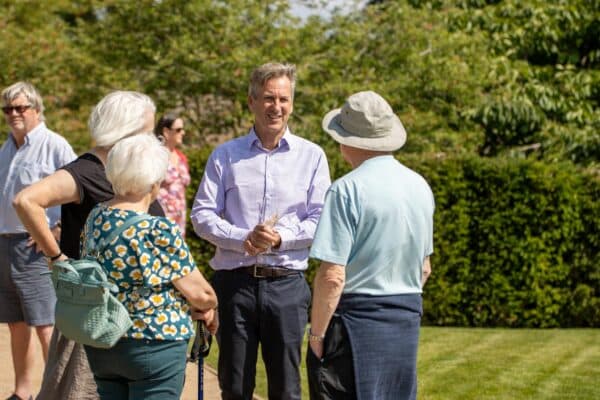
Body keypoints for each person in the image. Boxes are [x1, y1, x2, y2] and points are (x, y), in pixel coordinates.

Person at [191, 62, 331, 400]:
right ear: (251, 101)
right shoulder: (225, 155)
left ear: (292, 104)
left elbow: (322, 218)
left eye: (283, 99)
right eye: (268, 98)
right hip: (234, 286)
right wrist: (243, 239)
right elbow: (201, 215)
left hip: (286, 285)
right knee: (235, 386)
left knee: (286, 387)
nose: (277, 107)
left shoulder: (312, 156)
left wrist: (282, 237)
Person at [13, 91, 164, 400]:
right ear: (126, 130)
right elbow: (26, 200)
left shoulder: (123, 172)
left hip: (127, 316)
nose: (152, 141)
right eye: (148, 132)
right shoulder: (86, 171)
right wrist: (57, 257)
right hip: (95, 317)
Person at [307, 91, 435, 400]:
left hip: (355, 323)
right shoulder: (419, 185)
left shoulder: (345, 189)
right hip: (404, 319)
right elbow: (424, 268)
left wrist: (317, 333)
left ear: (346, 141)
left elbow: (332, 276)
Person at [81, 133, 217, 399]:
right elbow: (202, 294)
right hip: (153, 344)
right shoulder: (156, 229)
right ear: (154, 181)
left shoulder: (96, 216)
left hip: (104, 341)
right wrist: (210, 306)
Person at [0, 81, 76, 400]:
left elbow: (78, 188)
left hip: (36, 249)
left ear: (37, 109)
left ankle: (55, 393)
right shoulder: (6, 148)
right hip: (6, 245)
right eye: (8, 109)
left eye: (21, 108)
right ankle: (23, 391)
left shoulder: (53, 144)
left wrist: (56, 229)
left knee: (46, 324)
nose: (14, 114)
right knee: (16, 322)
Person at [154, 113, 191, 235]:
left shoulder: (182, 157)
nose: (183, 133)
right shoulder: (155, 156)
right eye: (179, 130)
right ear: (166, 131)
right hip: (159, 218)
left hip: (180, 219)